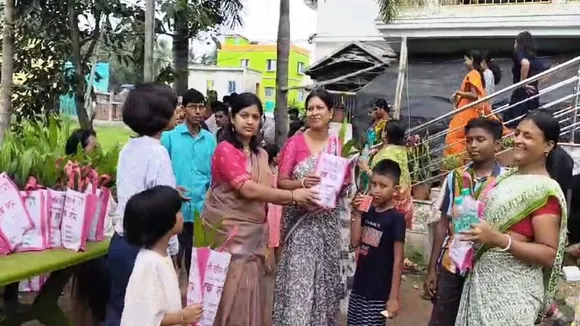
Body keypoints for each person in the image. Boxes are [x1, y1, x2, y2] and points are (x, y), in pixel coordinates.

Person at [201, 92, 318, 326]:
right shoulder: (225, 150)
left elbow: (269, 188)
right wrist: (294, 196)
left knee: (250, 291)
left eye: (255, 116)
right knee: (228, 296)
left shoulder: (261, 154)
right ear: (232, 118)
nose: (250, 121)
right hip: (229, 238)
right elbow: (248, 189)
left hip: (253, 238)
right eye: (244, 115)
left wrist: (302, 185)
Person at [455, 111, 567, 325]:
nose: (518, 140)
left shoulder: (545, 190)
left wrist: (499, 240)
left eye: (528, 136)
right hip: (481, 284)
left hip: (511, 298)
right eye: (517, 133)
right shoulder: (506, 178)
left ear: (548, 146)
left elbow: (549, 254)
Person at [273, 88, 350, 326]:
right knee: (299, 284)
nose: (314, 113)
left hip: (327, 226)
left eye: (320, 108)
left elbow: (344, 183)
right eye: (311, 108)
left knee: (324, 286)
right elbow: (281, 181)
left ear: (330, 113)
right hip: (300, 225)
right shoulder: (295, 143)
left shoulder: (339, 145)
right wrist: (303, 184)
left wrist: (343, 187)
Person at [105, 83, 180, 326]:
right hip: (145, 245)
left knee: (119, 311)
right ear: (159, 116)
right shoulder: (158, 153)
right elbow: (165, 210)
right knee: (148, 315)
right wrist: (173, 249)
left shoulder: (129, 148)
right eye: (173, 108)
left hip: (121, 241)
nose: (178, 112)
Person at [425, 117, 506, 326]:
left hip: (485, 266)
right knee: (442, 318)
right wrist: (432, 268)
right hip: (452, 264)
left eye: (480, 139)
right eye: (469, 140)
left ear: (497, 144)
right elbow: (443, 224)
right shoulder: (455, 178)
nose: (473, 145)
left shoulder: (505, 182)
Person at [120, 186, 203, 325]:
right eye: (179, 212)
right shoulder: (149, 264)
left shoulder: (161, 257)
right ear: (166, 221)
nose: (182, 216)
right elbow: (146, 318)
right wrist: (183, 316)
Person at [161, 89, 217, 275]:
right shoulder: (170, 137)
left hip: (201, 208)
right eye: (193, 107)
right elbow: (162, 169)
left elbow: (214, 174)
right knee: (174, 255)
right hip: (175, 208)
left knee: (196, 258)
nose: (198, 111)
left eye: (201, 107)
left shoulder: (209, 140)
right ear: (184, 109)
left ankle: (194, 296)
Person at [348, 159, 406, 326]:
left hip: (378, 293)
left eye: (383, 186)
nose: (376, 190)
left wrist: (393, 297)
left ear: (395, 190)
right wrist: (357, 215)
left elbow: (398, 260)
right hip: (359, 287)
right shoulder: (368, 212)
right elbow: (354, 242)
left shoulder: (396, 219)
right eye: (374, 184)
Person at [359, 120, 413, 228]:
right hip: (402, 201)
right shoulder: (402, 151)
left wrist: (366, 168)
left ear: (385, 134)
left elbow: (381, 180)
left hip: (385, 203)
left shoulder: (386, 154)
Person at [444, 50, 492, 158]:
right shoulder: (475, 74)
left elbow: (475, 95)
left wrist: (458, 92)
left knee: (454, 138)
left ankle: (460, 161)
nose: (464, 62)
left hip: (468, 113)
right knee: (459, 139)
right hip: (467, 112)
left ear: (472, 60)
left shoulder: (473, 74)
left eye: (466, 59)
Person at [504, 31, 544, 128]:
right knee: (530, 120)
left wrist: (522, 83)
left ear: (519, 43)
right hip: (533, 92)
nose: (514, 45)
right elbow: (544, 73)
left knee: (515, 119)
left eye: (515, 42)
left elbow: (525, 64)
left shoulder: (520, 53)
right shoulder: (534, 57)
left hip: (522, 91)